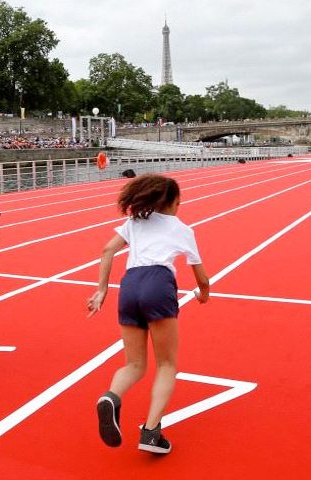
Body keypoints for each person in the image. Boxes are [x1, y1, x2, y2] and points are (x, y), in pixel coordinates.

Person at [87, 174, 210, 455]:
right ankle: (152, 433)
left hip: (129, 285)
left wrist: (101, 291)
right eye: (179, 202)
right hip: (158, 282)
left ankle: (111, 397)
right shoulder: (181, 229)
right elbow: (201, 277)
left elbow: (107, 251)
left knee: (134, 365)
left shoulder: (135, 222)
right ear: (171, 203)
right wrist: (204, 294)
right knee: (166, 364)